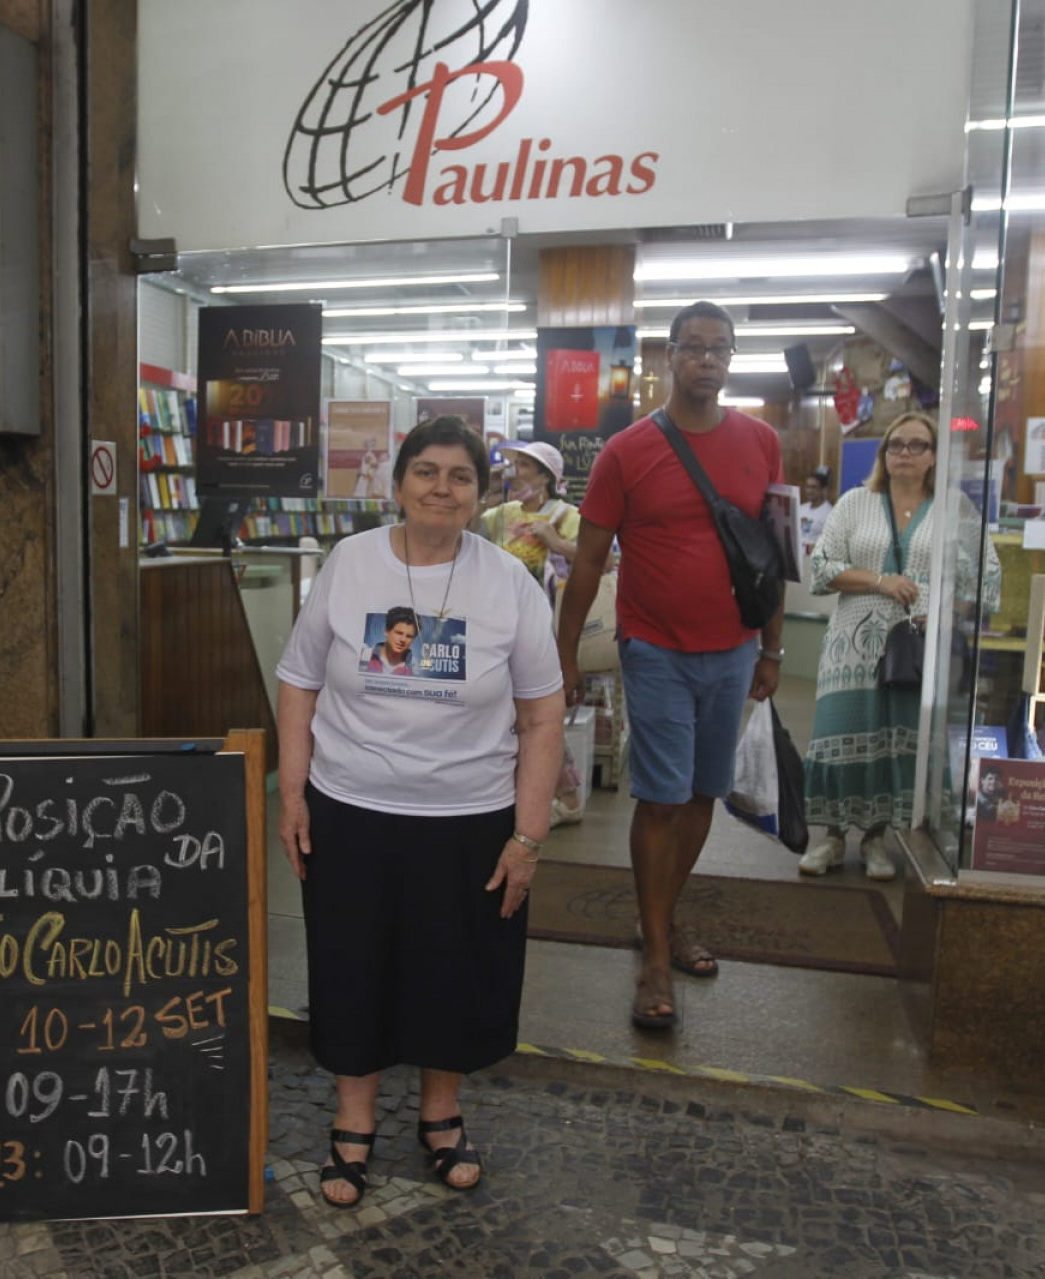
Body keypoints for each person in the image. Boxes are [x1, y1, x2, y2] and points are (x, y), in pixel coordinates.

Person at [276, 414, 566, 1207]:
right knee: (351, 962)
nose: (443, 487)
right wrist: (292, 791)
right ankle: (353, 1118)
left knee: (455, 968)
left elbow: (544, 716)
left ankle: (441, 1115)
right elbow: (298, 680)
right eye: (427, 471)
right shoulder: (350, 562)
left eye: (461, 475)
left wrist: (528, 836)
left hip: (469, 816)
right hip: (352, 807)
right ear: (398, 483)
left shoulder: (508, 580)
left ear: (481, 492)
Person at [555, 301, 785, 1032]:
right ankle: (655, 953)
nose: (707, 360)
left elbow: (775, 558)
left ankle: (661, 917)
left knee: (701, 796)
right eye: (693, 347)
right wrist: (564, 653)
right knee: (659, 798)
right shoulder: (627, 450)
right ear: (669, 358)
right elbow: (588, 562)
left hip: (734, 649)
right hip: (653, 647)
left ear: (731, 359)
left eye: (720, 349)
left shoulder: (763, 443)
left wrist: (771, 647)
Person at [799, 411, 1000, 880]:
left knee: (895, 742)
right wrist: (880, 580)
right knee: (839, 735)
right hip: (853, 647)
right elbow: (822, 569)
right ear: (883, 453)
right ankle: (829, 837)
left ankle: (876, 841)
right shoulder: (855, 502)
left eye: (917, 445)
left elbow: (985, 576)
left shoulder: (954, 509)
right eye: (896, 445)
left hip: (917, 647)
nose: (905, 454)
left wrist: (953, 611)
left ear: (934, 456)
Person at [481, 440, 581, 592]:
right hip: (502, 607)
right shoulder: (503, 512)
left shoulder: (568, 515)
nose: (514, 471)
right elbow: (465, 532)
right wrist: (485, 487)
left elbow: (603, 561)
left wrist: (557, 543)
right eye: (515, 464)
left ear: (546, 477)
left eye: (524, 465)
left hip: (548, 609)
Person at [361, 606, 419, 674]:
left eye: (409, 636)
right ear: (386, 631)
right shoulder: (365, 655)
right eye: (399, 633)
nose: (403, 639)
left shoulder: (415, 666)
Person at [798, 469, 834, 555]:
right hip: (796, 556)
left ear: (823, 490)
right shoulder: (800, 508)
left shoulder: (831, 513)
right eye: (808, 487)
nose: (809, 491)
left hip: (814, 558)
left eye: (813, 487)